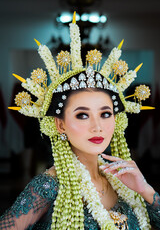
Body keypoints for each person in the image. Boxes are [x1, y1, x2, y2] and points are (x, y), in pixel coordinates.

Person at [0, 12, 160, 230]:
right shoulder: (49, 186)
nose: (97, 126)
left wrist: (145, 189)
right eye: (82, 115)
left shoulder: (124, 181)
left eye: (105, 114)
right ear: (60, 124)